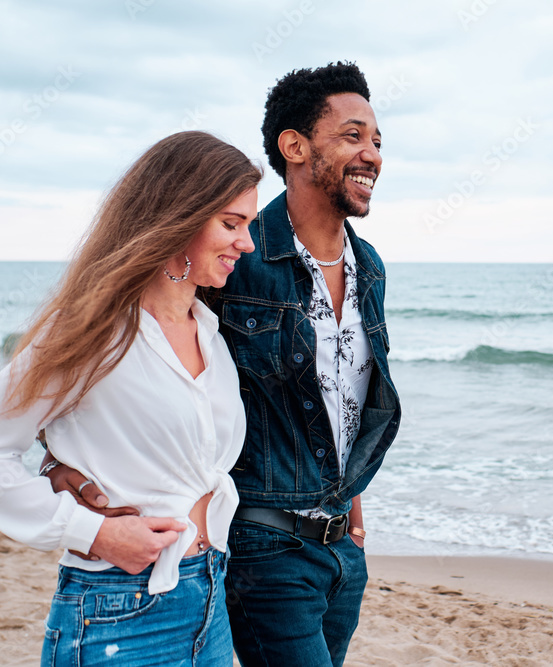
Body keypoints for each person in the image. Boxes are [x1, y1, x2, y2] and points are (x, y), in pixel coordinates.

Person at [47, 61, 402, 666]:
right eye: (352, 135)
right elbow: (142, 350)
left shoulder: (369, 266)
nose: (371, 153)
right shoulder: (234, 255)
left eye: (376, 141)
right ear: (294, 145)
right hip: (264, 544)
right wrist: (67, 469)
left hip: (342, 550)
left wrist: (354, 511)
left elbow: (348, 401)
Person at [0, 131, 262, 666]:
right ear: (178, 220)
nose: (246, 243)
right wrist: (93, 532)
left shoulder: (210, 332)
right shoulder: (96, 333)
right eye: (231, 224)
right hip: (119, 609)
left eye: (247, 226)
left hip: (210, 600)